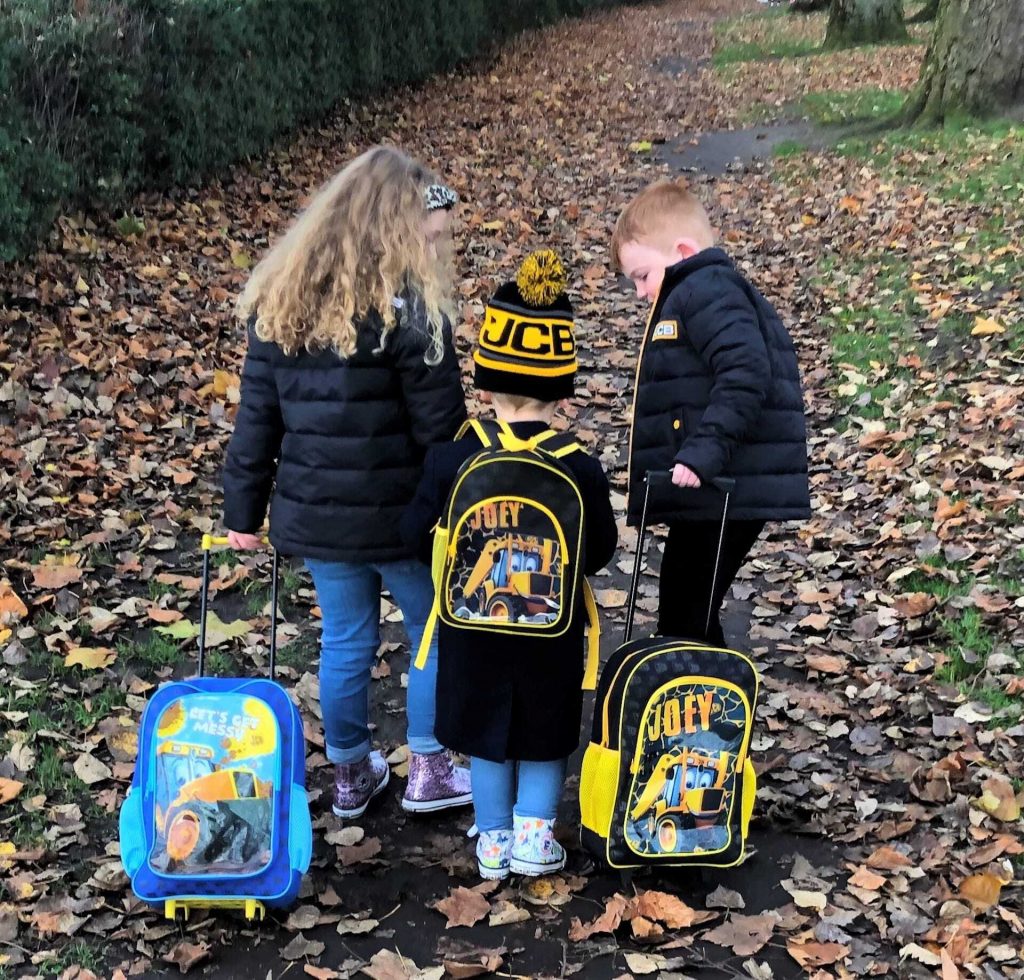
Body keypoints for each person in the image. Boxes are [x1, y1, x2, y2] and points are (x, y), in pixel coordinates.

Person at [222, 145, 472, 820]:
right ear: (394, 228)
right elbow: (442, 431)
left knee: (345, 639)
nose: (435, 241)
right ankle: (428, 765)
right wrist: (463, 500)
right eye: (428, 230)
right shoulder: (413, 315)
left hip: (323, 518)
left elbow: (257, 422)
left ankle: (351, 772)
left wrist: (241, 510)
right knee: (431, 631)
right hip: (404, 516)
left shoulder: (283, 305)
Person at [401, 250, 617, 879]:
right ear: (561, 389)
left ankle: (491, 841)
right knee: (545, 733)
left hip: (472, 629)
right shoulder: (578, 464)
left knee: (486, 733)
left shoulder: (454, 456)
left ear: (485, 384)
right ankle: (534, 838)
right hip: (550, 632)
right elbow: (598, 551)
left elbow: (416, 532)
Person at [612, 177, 810, 646]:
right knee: (687, 607)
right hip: (713, 482)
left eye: (642, 276)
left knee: (687, 610)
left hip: (725, 481)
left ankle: (701, 711)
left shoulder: (706, 288)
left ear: (682, 251)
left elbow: (745, 371)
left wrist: (704, 450)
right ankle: (697, 704)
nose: (640, 292)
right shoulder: (694, 290)